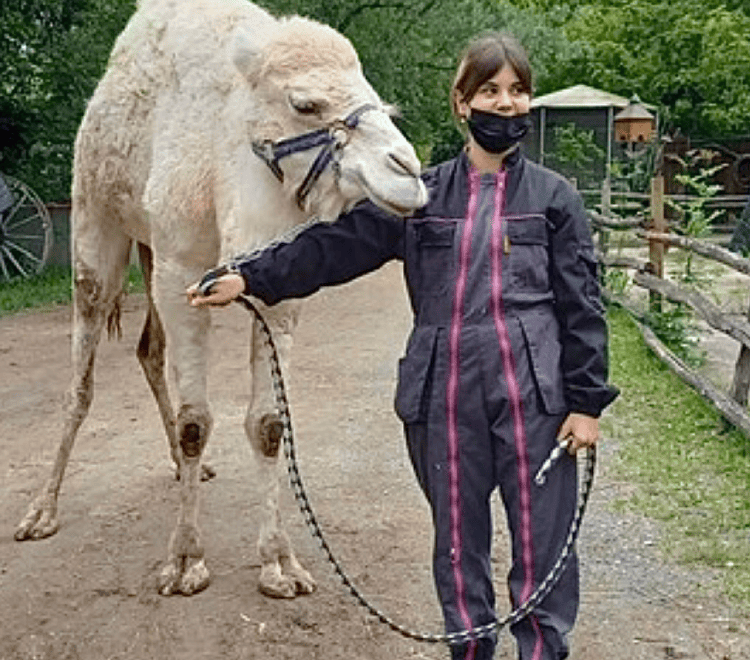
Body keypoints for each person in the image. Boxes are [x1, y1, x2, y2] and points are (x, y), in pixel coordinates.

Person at [187, 33, 619, 660]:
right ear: (462, 103)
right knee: (457, 546)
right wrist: (249, 275)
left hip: (536, 398)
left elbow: (582, 308)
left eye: (517, 91)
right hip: (442, 399)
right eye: (490, 91)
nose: (506, 104)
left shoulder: (555, 199)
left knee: (542, 548)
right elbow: (332, 245)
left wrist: (586, 404)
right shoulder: (418, 195)